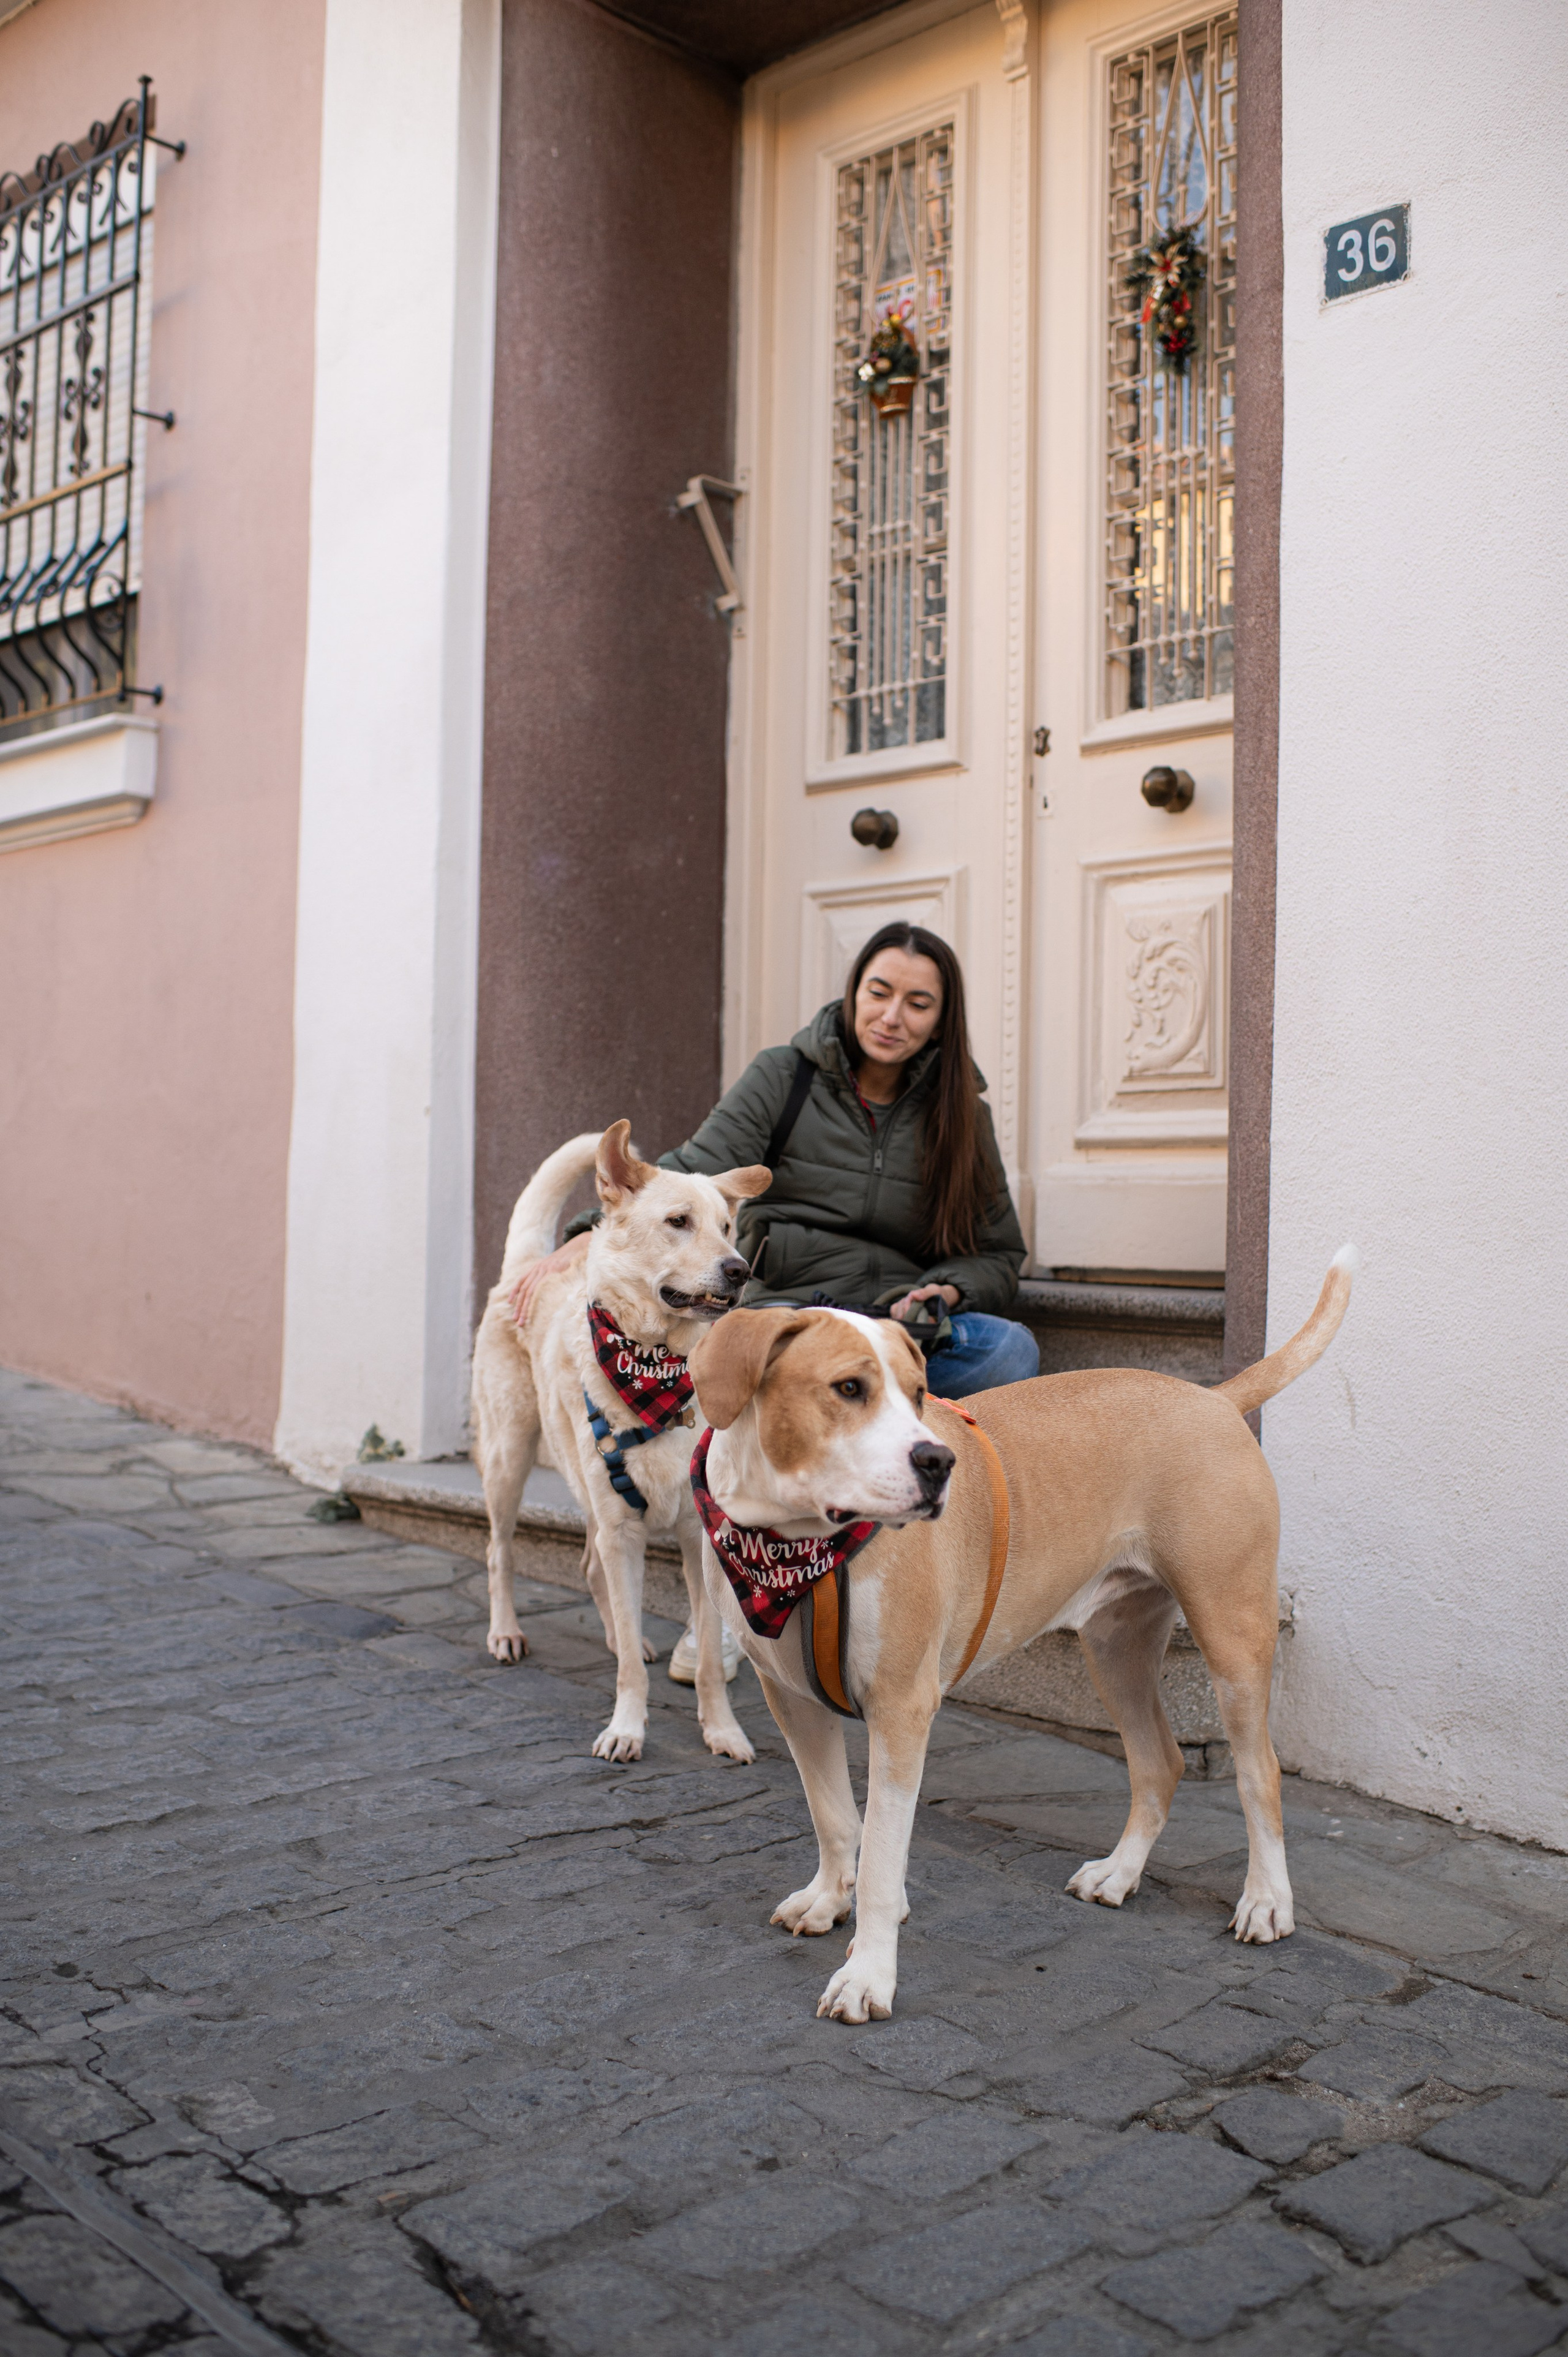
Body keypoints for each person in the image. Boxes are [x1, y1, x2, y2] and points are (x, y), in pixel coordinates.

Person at [514, 920, 1039, 1676]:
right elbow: (690, 1168)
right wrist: (591, 1233)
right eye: (879, 992)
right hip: (786, 1308)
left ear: (941, 1019)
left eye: (918, 1003)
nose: (892, 1016)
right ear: (854, 993)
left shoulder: (962, 1113)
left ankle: (917, 1518)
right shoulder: (786, 1075)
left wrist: (949, 1287)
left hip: (886, 1325)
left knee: (1011, 1349)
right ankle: (730, 1603)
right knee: (730, 1373)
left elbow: (1000, 1253)